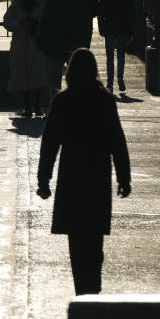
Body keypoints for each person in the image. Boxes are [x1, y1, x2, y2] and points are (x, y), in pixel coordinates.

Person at [36, 48, 131, 294]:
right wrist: (124, 177)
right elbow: (117, 142)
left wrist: (43, 179)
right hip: (97, 176)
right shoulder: (105, 100)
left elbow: (50, 143)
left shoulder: (64, 101)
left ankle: (82, 291)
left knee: (77, 242)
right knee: (94, 240)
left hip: (72, 177)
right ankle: (94, 290)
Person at [37, 0, 92, 101]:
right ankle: (56, 109)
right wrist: (44, 44)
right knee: (54, 82)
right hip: (54, 49)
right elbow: (44, 26)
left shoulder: (77, 2)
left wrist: (79, 44)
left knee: (75, 81)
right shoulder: (51, 3)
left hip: (73, 49)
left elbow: (84, 26)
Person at [3, 0, 50, 117]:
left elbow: (49, 20)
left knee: (38, 75)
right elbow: (7, 22)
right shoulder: (16, 4)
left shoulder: (43, 2)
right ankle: (27, 105)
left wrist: (38, 22)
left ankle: (37, 105)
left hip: (38, 45)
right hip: (21, 46)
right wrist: (20, 22)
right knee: (22, 76)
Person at [97, 0, 136, 93]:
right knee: (121, 55)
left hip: (109, 29)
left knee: (109, 57)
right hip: (123, 29)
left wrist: (101, 28)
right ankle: (120, 78)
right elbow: (132, 16)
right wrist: (131, 31)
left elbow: (100, 14)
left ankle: (109, 83)